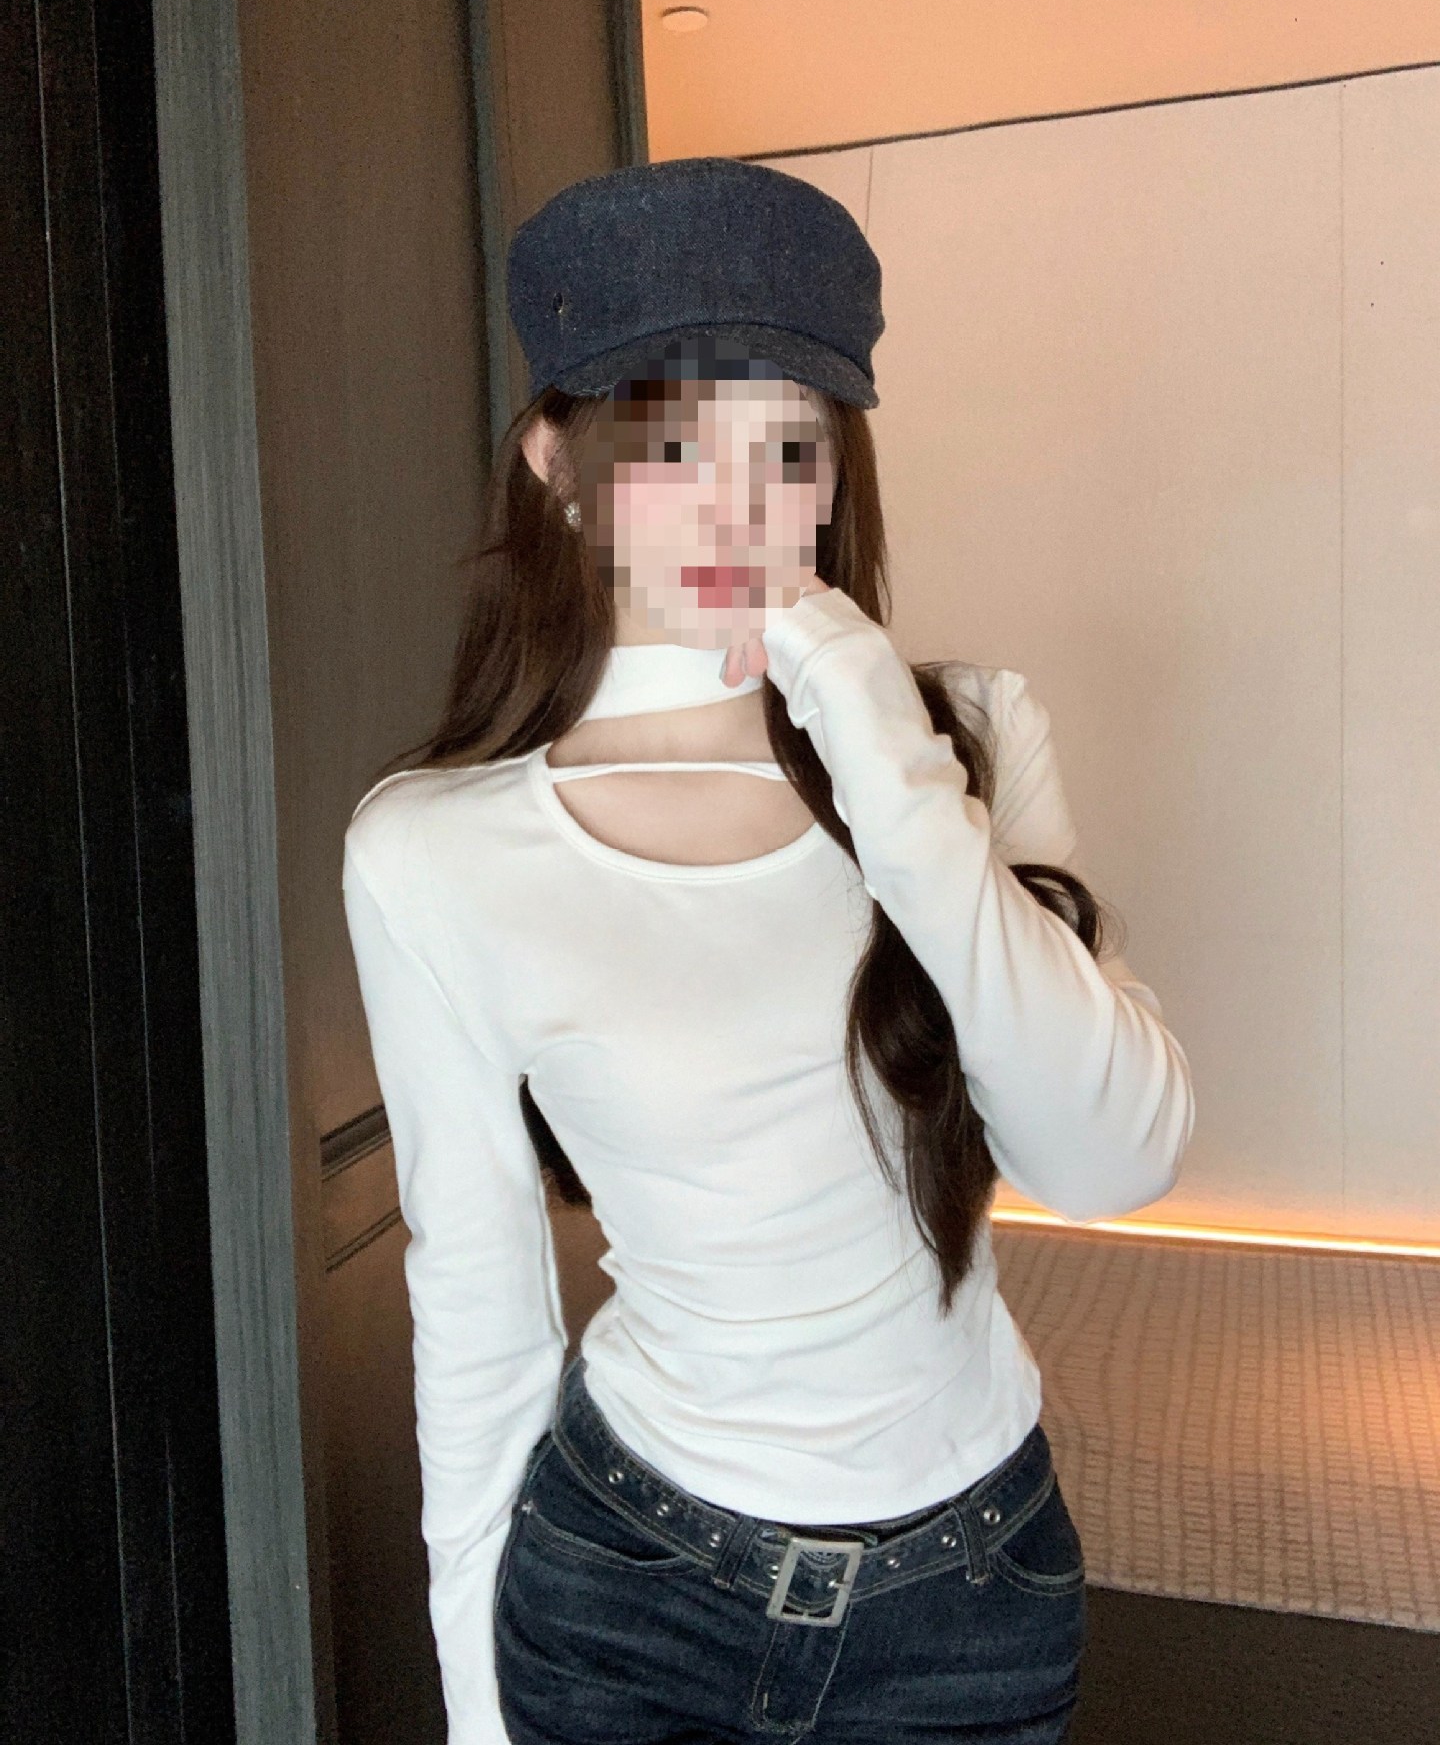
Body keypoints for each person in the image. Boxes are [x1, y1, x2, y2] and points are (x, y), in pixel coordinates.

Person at [341, 157, 1195, 1745]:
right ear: (559, 464)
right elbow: (477, 1310)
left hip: (969, 1599)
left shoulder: (962, 742)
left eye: (789, 447)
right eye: (673, 445)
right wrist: (475, 1715)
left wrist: (896, 777)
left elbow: (1113, 1159)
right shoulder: (433, 852)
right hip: (626, 1587)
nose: (739, 507)